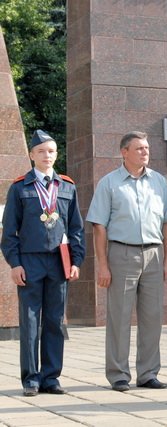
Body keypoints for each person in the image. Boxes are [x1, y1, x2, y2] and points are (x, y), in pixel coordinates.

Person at [86, 131, 167, 392]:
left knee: (153, 317)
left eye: (146, 148)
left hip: (154, 255)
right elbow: (99, 226)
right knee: (119, 317)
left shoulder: (159, 182)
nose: (145, 152)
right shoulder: (109, 183)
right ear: (124, 152)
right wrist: (103, 265)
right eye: (139, 148)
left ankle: (148, 373)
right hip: (121, 254)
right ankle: (118, 375)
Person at [1, 130, 85, 396]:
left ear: (56, 154)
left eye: (50, 151)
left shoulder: (67, 186)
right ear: (31, 155)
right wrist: (15, 263)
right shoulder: (20, 188)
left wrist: (76, 261)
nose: (46, 156)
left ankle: (51, 377)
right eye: (40, 151)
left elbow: (76, 229)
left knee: (54, 321)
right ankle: (31, 379)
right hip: (30, 261)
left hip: (59, 262)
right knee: (29, 321)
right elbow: (9, 232)